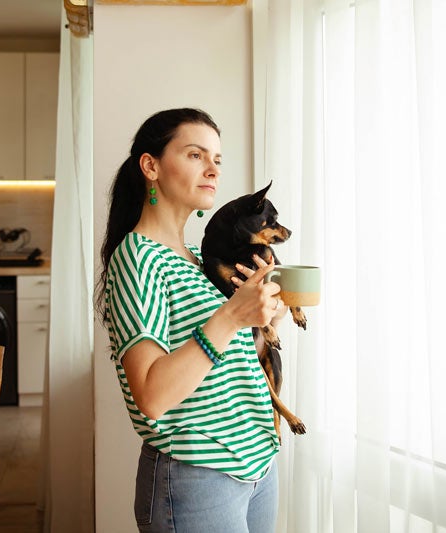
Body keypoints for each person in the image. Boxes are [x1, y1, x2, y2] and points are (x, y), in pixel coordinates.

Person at [98, 108, 287, 533]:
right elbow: (151, 396)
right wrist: (230, 316)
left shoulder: (201, 261)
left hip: (256, 465)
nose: (212, 169)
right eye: (196, 155)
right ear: (151, 166)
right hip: (196, 478)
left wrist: (262, 315)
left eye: (217, 159)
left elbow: (229, 354)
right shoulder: (138, 258)